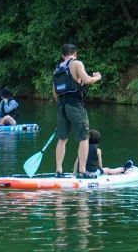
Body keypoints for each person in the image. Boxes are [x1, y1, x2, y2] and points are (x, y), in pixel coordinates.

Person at [52, 43, 101, 178]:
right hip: (75, 105)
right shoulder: (76, 63)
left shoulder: (57, 69)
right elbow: (86, 80)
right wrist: (97, 77)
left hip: (61, 106)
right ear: (75, 53)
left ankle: (58, 171)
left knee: (62, 139)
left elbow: (55, 94)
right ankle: (83, 171)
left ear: (63, 55)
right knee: (84, 137)